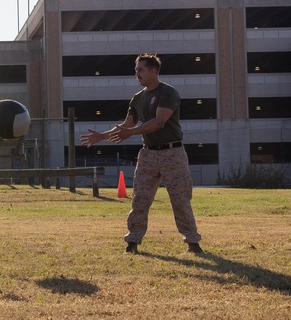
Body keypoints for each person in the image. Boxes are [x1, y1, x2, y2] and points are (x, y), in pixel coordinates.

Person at [79, 54, 202, 255]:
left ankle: (192, 242)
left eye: (140, 69)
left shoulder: (168, 93)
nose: (137, 73)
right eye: (136, 69)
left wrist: (130, 133)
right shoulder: (137, 98)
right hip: (148, 155)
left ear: (154, 71)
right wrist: (103, 136)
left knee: (180, 199)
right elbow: (128, 125)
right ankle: (133, 241)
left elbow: (158, 122)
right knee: (140, 199)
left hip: (173, 153)